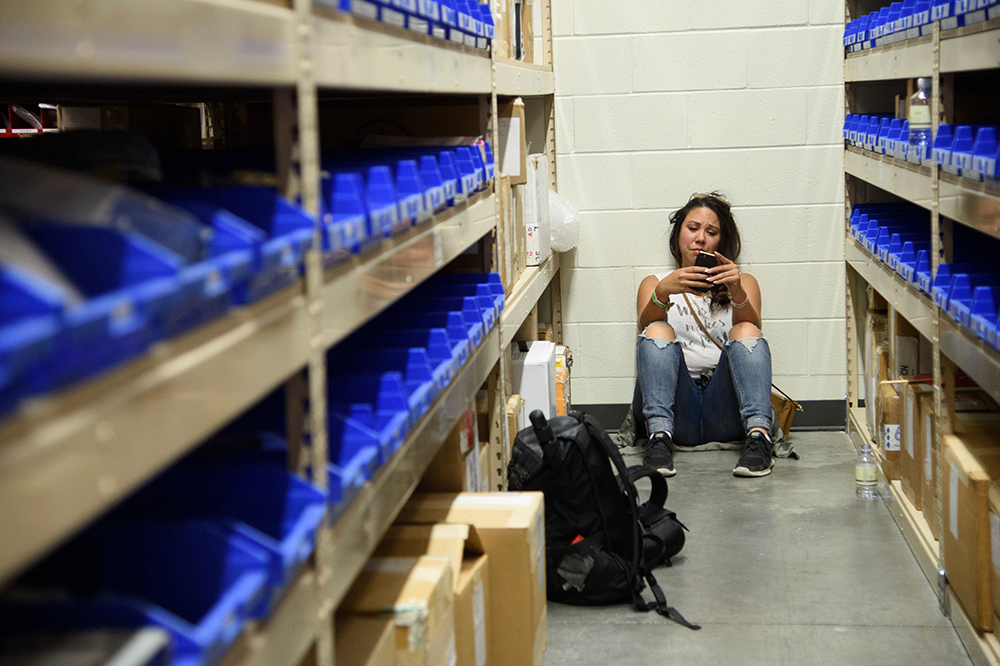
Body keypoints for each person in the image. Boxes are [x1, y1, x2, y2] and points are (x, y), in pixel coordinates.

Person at [633, 191, 777, 479]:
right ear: (678, 236)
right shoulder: (655, 282)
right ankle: (658, 439)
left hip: (727, 406)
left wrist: (735, 290)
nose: (700, 239)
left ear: (721, 242)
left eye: (711, 232)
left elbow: (753, 330)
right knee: (658, 329)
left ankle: (759, 437)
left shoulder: (743, 281)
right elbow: (645, 329)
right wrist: (663, 292)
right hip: (676, 407)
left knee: (745, 329)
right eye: (692, 228)